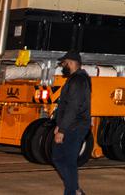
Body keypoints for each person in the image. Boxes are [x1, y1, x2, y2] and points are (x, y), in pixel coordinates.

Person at [52, 50, 91, 195]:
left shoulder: (78, 81)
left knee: (67, 161)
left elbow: (73, 108)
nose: (63, 66)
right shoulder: (75, 79)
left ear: (71, 63)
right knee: (58, 158)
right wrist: (59, 125)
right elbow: (66, 106)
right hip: (71, 125)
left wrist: (62, 130)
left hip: (75, 126)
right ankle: (75, 190)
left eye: (64, 63)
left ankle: (72, 191)